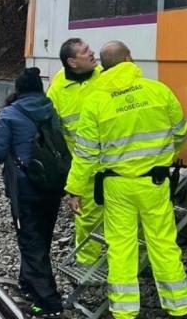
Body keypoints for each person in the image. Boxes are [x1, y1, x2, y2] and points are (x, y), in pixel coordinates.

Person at [66, 41, 187, 319]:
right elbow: (181, 132)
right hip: (155, 183)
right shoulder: (158, 90)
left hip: (117, 186)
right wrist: (161, 158)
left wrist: (74, 189)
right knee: (163, 243)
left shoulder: (96, 102)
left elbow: (85, 154)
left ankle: (124, 313)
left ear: (104, 65)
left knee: (121, 247)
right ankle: (181, 309)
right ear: (130, 59)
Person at [0, 68, 65, 318]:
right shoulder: (51, 110)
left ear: (17, 89)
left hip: (25, 187)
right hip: (52, 183)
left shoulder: (9, 114)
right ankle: (28, 282)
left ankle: (48, 298)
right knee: (42, 236)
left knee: (30, 238)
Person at [46, 38, 105, 272]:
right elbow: (54, 130)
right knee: (87, 218)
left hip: (114, 161)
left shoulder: (105, 77)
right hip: (83, 165)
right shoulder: (58, 87)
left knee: (127, 217)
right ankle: (88, 265)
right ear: (72, 62)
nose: (92, 53)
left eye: (90, 48)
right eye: (85, 51)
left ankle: (137, 262)